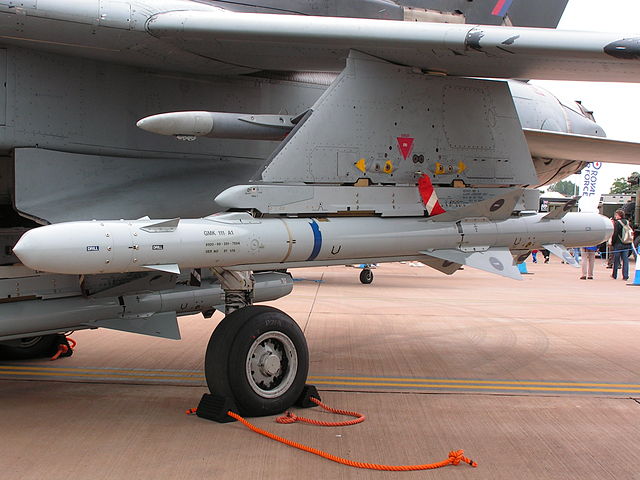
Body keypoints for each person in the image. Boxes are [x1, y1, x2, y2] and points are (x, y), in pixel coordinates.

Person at [611, 209, 631, 280]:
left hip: (618, 244)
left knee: (616, 260)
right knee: (625, 260)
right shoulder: (627, 222)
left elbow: (615, 234)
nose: (615, 216)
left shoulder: (617, 223)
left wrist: (613, 243)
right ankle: (625, 276)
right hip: (626, 243)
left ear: (619, 216)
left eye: (616, 215)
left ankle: (615, 275)